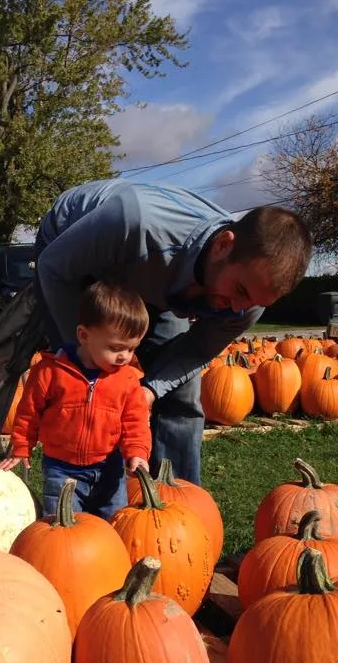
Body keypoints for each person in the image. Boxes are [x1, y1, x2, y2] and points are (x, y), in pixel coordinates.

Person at [31, 179, 312, 485]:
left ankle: (175, 502)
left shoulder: (248, 302)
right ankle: (82, 494)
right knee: (88, 382)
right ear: (223, 245)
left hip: (161, 278)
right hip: (74, 252)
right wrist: (85, 355)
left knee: (182, 391)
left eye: (253, 302)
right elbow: (53, 267)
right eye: (239, 290)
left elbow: (197, 349)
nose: (236, 309)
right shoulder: (134, 222)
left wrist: (149, 390)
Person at [0, 281, 151, 520]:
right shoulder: (50, 372)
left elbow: (136, 422)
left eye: (132, 349)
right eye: (116, 348)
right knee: (62, 526)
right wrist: (21, 445)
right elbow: (29, 413)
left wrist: (138, 452)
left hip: (108, 468)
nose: (124, 357)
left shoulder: (128, 379)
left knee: (113, 524)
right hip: (62, 468)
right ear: (84, 336)